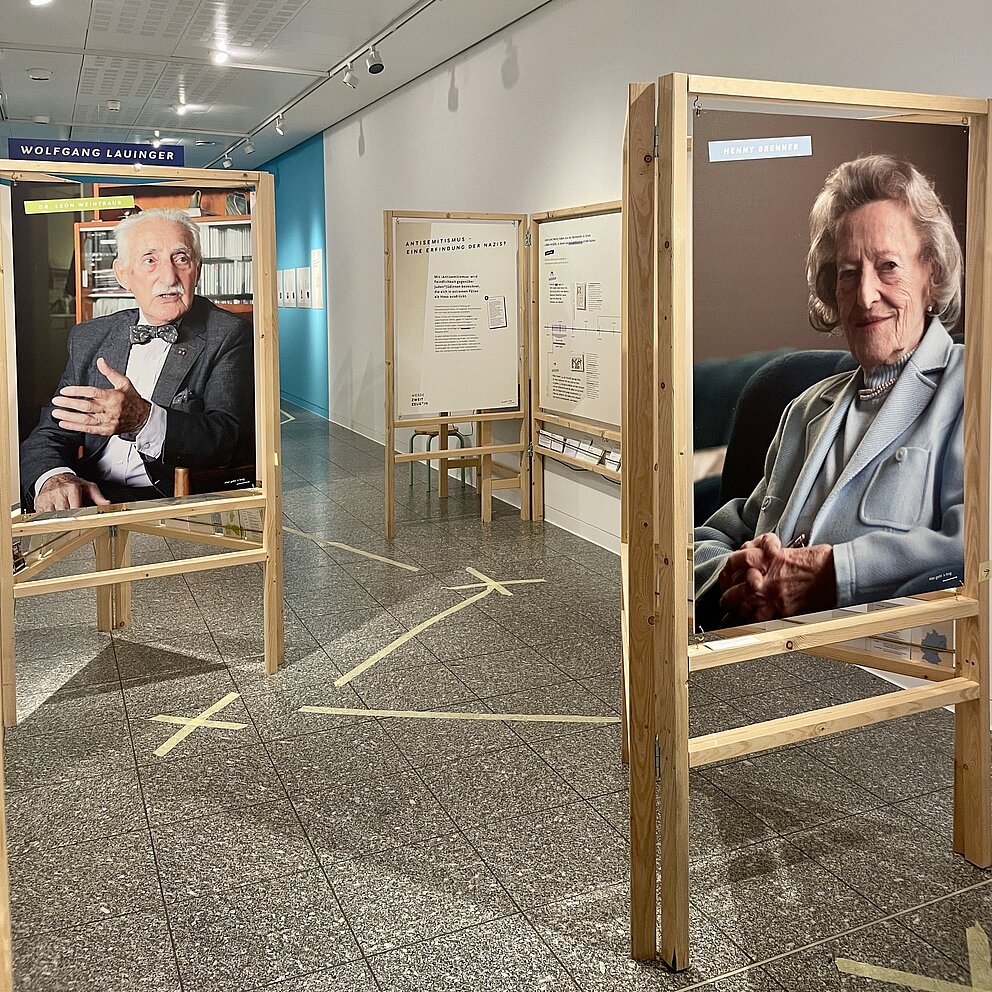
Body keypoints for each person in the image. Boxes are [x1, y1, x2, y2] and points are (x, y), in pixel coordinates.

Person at [694, 154, 964, 626]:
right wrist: (725, 571)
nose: (865, 295)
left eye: (888, 266)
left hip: (892, 670)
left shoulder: (972, 387)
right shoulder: (803, 408)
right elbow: (727, 527)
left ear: (932, 274)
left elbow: (974, 544)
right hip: (765, 660)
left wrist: (836, 574)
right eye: (848, 272)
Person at [20, 207, 254, 512]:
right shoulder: (90, 337)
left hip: (172, 500)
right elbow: (52, 430)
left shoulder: (229, 333)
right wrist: (56, 477)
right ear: (123, 275)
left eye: (181, 259)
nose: (169, 276)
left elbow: (227, 440)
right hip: (91, 492)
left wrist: (144, 420)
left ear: (197, 269)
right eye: (150, 260)